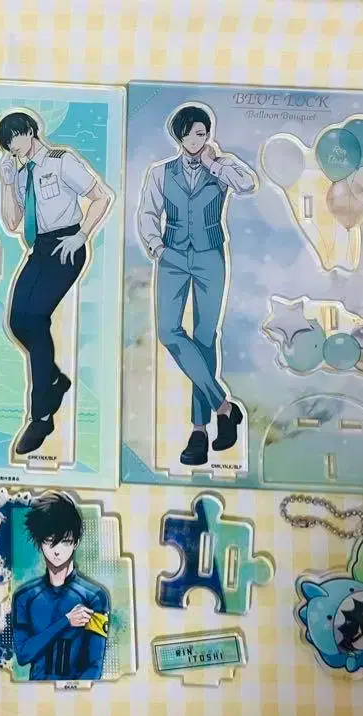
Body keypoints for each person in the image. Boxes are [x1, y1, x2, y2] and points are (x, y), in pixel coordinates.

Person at [137, 104, 258, 466]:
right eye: (189, 133)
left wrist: (214, 164)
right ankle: (224, 407)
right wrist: (157, 248)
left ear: (208, 135)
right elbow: (147, 213)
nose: (195, 140)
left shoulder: (221, 168)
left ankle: (199, 430)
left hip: (209, 257)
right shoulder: (160, 172)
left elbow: (248, 184)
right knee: (169, 332)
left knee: (205, 338)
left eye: (201, 133)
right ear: (178, 136)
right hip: (172, 256)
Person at [0, 112, 112, 455]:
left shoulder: (61, 161)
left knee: (34, 320)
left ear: (30, 131)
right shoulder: (20, 174)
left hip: (66, 244)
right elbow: (13, 222)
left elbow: (101, 196)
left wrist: (82, 235)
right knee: (17, 321)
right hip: (40, 248)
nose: (12, 147)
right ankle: (55, 380)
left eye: (14, 138)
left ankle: (41, 417)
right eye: (7, 144)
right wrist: (6, 183)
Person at [11, 492, 109, 681]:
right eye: (50, 541)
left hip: (77, 694)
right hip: (35, 692)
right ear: (40, 543)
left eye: (65, 541)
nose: (57, 551)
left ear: (76, 542)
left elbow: (94, 666)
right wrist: (66, 621)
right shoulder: (24, 597)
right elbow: (23, 655)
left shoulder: (94, 597)